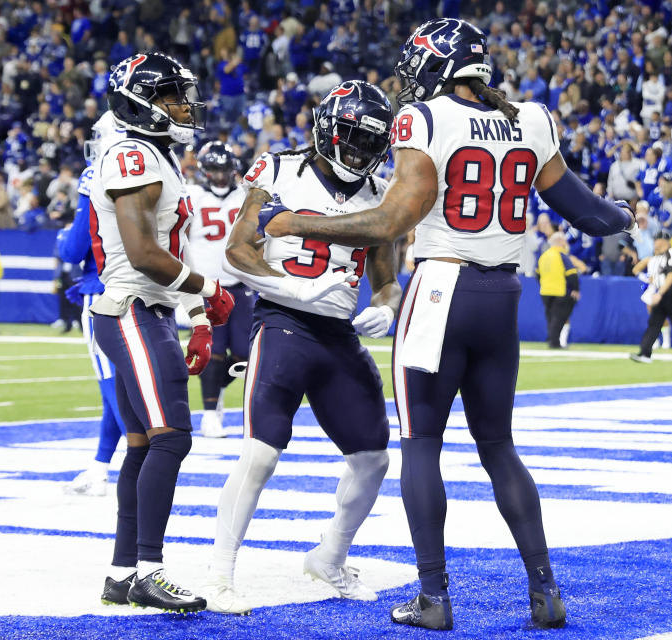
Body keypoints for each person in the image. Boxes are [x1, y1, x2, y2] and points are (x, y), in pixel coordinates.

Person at [260, 18, 636, 631]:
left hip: (441, 289)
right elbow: (587, 214)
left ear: (437, 66)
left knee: (421, 446)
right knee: (500, 448)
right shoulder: (532, 118)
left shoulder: (426, 119)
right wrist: (622, 215)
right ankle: (545, 592)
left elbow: (391, 220)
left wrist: (294, 222)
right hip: (503, 295)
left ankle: (434, 597)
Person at [205, 80, 400, 614]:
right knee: (261, 452)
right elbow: (236, 252)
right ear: (329, 131)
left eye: (371, 142)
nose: (361, 152)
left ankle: (329, 557)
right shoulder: (278, 170)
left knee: (373, 458)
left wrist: (385, 307)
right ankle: (220, 572)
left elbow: (386, 280)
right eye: (354, 139)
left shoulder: (378, 194)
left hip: (338, 335)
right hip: (283, 322)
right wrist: (296, 287)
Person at [89, 53, 235, 612]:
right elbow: (146, 254)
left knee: (144, 445)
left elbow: (172, 247)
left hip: (145, 309)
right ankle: (150, 568)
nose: (183, 105)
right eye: (173, 95)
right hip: (131, 307)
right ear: (141, 101)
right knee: (172, 438)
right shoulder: (132, 155)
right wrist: (208, 292)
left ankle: (123, 573)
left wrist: (197, 317)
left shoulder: (156, 155)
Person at [58, 111, 128, 496]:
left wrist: (59, 242)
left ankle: (145, 458)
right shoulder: (161, 167)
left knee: (110, 385)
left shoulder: (96, 173)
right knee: (122, 383)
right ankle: (100, 468)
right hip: (144, 286)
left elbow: (74, 249)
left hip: (102, 290)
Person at [186, 141, 254, 438]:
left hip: (240, 283)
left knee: (243, 355)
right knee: (211, 353)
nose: (219, 176)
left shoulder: (244, 196)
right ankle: (210, 414)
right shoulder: (192, 195)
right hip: (207, 285)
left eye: (223, 169)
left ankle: (216, 392)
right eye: (213, 170)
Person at [629, 229, 672, 363]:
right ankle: (645, 353)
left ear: (663, 241)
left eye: (657, 240)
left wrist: (659, 293)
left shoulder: (671, 253)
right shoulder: (656, 258)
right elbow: (639, 271)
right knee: (654, 323)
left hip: (671, 292)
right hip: (660, 292)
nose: (655, 243)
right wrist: (651, 284)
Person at [537, 232, 579, 349]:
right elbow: (571, 273)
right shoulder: (562, 255)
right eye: (564, 241)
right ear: (560, 242)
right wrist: (575, 288)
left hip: (545, 291)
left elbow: (537, 274)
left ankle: (552, 339)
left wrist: (544, 283)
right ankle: (554, 342)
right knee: (559, 318)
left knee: (551, 318)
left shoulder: (544, 256)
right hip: (560, 291)